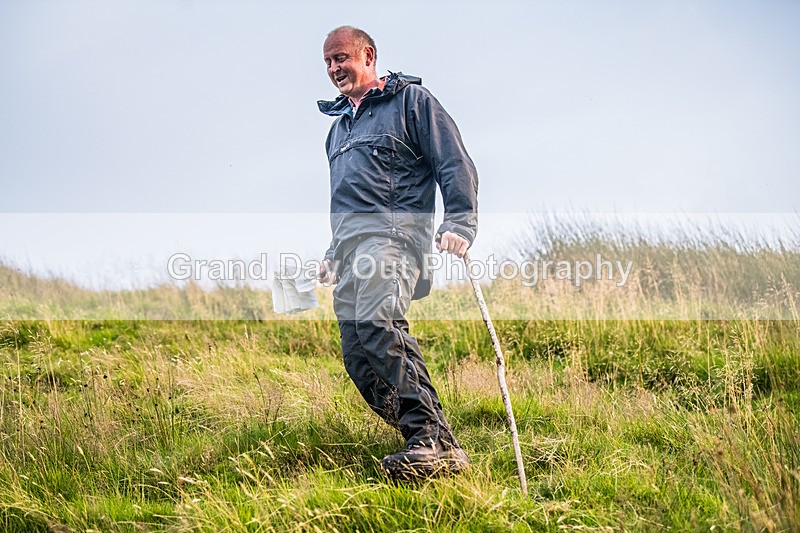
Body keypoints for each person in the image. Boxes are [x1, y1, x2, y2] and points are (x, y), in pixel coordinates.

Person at [317, 26, 479, 479]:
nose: (333, 69)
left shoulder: (412, 103)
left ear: (367, 55)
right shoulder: (337, 131)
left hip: (393, 243)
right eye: (327, 63)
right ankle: (426, 441)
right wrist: (333, 251)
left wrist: (460, 222)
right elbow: (347, 199)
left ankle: (432, 440)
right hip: (352, 256)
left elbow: (454, 162)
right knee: (358, 354)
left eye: (341, 58)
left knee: (378, 324)